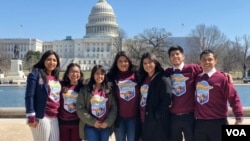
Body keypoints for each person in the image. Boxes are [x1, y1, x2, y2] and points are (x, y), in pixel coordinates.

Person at [194, 49, 244, 141]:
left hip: (218, 122)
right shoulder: (198, 78)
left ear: (215, 61)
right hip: (200, 123)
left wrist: (239, 118)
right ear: (200, 62)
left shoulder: (223, 78)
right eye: (204, 60)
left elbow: (233, 98)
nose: (206, 62)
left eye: (210, 59)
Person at [165, 45, 203, 141]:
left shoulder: (193, 68)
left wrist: (224, 74)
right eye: (172, 55)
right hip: (172, 117)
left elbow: (209, 72)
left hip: (189, 116)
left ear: (183, 56)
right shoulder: (167, 72)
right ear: (169, 58)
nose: (175, 56)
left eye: (177, 54)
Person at [25, 50, 61, 141]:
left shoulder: (56, 77)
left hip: (55, 117)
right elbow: (29, 96)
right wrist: (30, 115)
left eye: (54, 60)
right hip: (42, 116)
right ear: (43, 60)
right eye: (49, 59)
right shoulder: (35, 74)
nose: (51, 62)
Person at [76, 65, 117, 141]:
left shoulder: (109, 90)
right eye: (97, 73)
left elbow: (114, 108)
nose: (99, 76)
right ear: (93, 75)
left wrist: (108, 122)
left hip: (105, 126)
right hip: (91, 126)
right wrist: (93, 121)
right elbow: (80, 108)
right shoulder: (85, 89)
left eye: (102, 74)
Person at [138, 52, 172, 141]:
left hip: (157, 121)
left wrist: (157, 114)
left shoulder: (163, 78)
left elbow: (167, 98)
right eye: (144, 63)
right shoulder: (143, 78)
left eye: (150, 62)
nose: (147, 65)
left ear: (155, 63)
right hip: (143, 119)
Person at [107, 51, 140, 141]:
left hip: (134, 117)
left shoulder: (137, 75)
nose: (123, 63)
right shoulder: (111, 77)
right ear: (116, 63)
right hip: (119, 118)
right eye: (120, 61)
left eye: (125, 61)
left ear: (129, 62)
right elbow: (97, 82)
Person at [58, 63, 84, 141]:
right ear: (67, 74)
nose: (74, 74)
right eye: (72, 72)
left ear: (80, 74)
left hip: (77, 123)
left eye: (77, 72)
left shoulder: (83, 88)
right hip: (63, 123)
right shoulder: (61, 86)